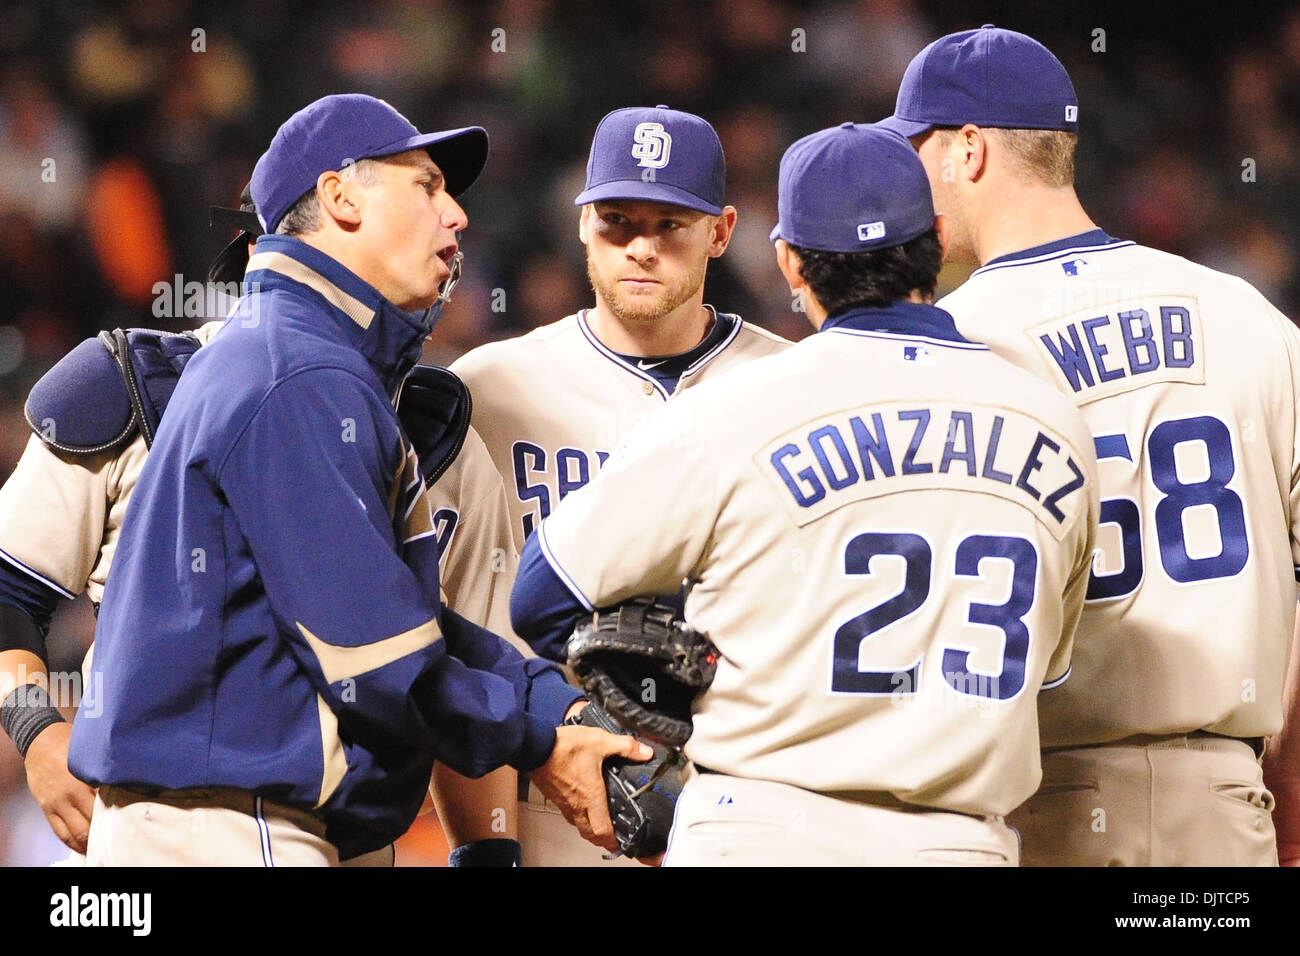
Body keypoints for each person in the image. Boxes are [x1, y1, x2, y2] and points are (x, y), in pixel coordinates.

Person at [62, 94, 647, 866]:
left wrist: (554, 700)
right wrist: (542, 736)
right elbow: (380, 663)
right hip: (229, 828)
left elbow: (406, 622)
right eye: (427, 186)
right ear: (340, 198)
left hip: (226, 822)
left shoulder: (300, 358)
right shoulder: (299, 373)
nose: (457, 216)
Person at [511, 122, 1100, 866]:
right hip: (960, 840)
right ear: (938, 237)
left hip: (759, 828)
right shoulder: (1051, 417)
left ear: (788, 260)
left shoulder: (733, 406)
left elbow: (541, 595)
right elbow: (1049, 666)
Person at [0, 182, 531, 865]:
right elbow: (10, 589)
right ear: (259, 253)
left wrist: (488, 856)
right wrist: (34, 728)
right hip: (183, 824)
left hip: (363, 839)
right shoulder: (128, 388)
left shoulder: (442, 443)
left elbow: (463, 679)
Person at [880, 25, 1300, 866]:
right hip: (1223, 806)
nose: (906, 182)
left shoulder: (947, 345)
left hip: (1040, 808)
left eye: (915, 151)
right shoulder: (1243, 314)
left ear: (967, 151)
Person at [450, 106, 790, 864]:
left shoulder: (791, 385)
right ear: (580, 224)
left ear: (723, 231)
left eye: (671, 224)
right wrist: (485, 845)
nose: (640, 247)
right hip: (555, 805)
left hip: (751, 802)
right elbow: (453, 632)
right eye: (616, 221)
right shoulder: (489, 392)